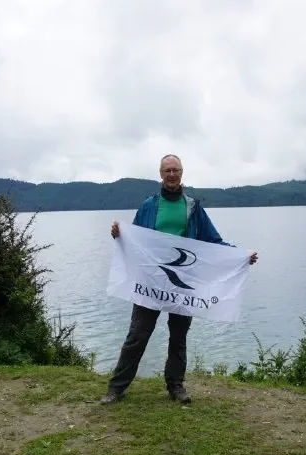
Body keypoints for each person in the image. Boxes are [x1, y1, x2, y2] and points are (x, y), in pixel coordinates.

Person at [100, 154, 258, 405]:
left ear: (182, 173)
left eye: (175, 170)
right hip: (150, 282)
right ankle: (116, 388)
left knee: (178, 336)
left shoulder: (193, 208)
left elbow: (212, 241)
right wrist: (118, 234)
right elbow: (134, 239)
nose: (171, 175)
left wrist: (240, 256)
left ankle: (176, 387)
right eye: (167, 171)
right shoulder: (148, 206)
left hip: (183, 283)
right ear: (160, 175)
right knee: (138, 335)